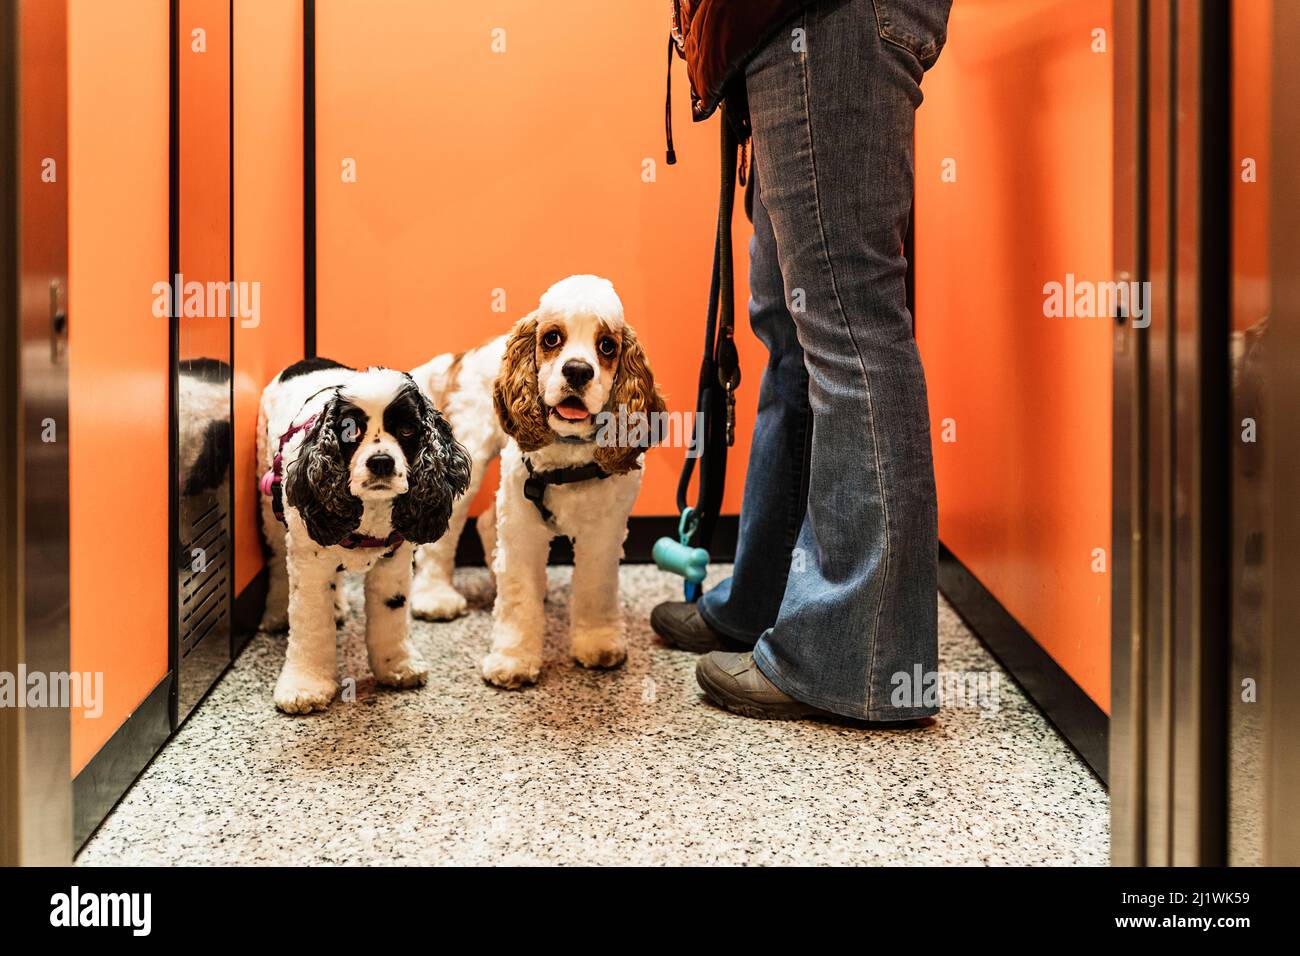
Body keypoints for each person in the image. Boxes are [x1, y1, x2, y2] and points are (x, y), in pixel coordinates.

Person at [652, 0, 952, 722]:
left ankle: (855, 657)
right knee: (791, 331)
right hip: (791, 23)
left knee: (847, 322)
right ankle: (767, 601)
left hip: (828, 16)